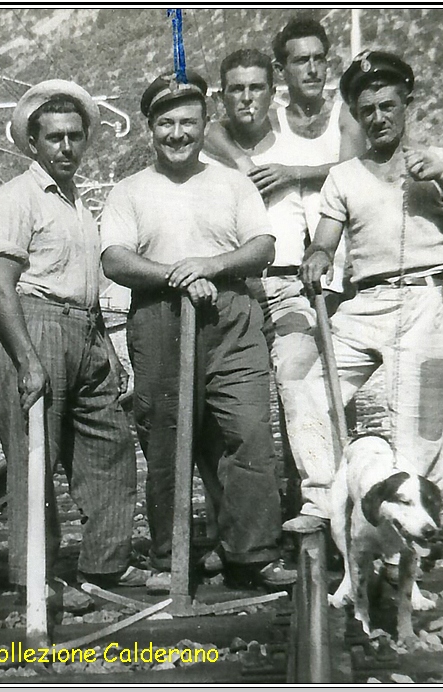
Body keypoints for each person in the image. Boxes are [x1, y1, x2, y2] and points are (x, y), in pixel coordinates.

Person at [100, 71, 296, 591]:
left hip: (231, 317)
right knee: (164, 441)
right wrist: (175, 274)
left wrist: (210, 265)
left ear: (206, 124)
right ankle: (171, 559)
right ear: (149, 129)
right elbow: (115, 258)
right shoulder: (130, 191)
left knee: (247, 434)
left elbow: (262, 247)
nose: (177, 133)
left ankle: (251, 554)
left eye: (188, 121)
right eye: (165, 123)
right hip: (159, 320)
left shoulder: (232, 183)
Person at [296, 51, 443, 530]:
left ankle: (406, 534)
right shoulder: (343, 177)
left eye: (388, 105)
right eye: (367, 111)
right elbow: (324, 242)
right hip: (368, 303)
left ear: (408, 103)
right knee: (304, 387)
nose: (378, 117)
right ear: (357, 117)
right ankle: (324, 502)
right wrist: (317, 258)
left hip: (434, 302)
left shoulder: (441, 162)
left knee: (420, 432)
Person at [0, 80, 147, 610]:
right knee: (36, 458)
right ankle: (36, 581)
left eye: (75, 137)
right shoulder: (15, 198)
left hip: (85, 328)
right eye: (54, 138)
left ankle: (103, 564)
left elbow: (88, 284)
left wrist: (108, 355)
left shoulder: (79, 206)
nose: (66, 147)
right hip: (33, 324)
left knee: (111, 445)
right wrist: (27, 360)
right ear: (32, 144)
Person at [203, 34, 367, 533]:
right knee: (234, 413)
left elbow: (348, 166)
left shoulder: (290, 138)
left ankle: (326, 507)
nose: (247, 98)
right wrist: (240, 163)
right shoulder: (216, 143)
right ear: (224, 95)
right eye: (237, 90)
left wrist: (291, 171)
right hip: (235, 288)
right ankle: (238, 526)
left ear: (271, 90)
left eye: (257, 88)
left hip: (292, 284)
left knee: (302, 384)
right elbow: (211, 130)